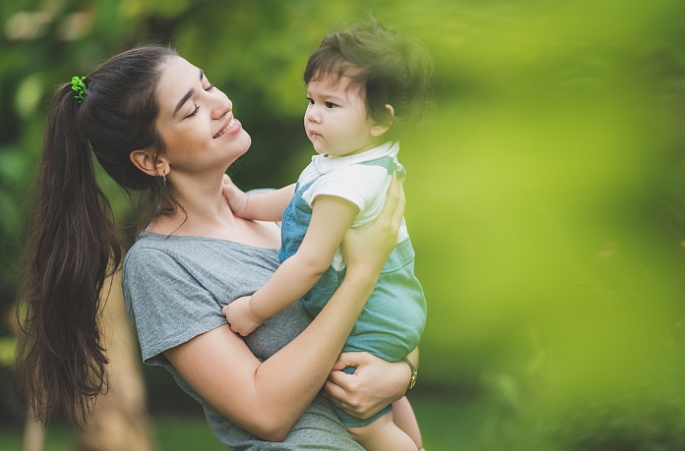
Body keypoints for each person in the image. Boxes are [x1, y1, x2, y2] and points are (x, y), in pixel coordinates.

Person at [14, 44, 418, 450]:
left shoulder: (284, 210)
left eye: (208, 84)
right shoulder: (160, 265)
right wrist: (361, 276)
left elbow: (388, 312)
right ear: (152, 160)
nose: (222, 103)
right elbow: (266, 412)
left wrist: (401, 374)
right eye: (191, 109)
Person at [223, 20, 433, 451]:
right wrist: (247, 204)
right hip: (392, 303)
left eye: (331, 105)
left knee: (365, 423)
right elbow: (299, 194)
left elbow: (312, 262)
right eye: (311, 100)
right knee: (383, 403)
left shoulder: (349, 185)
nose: (313, 114)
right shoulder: (349, 160)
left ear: (380, 120)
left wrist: (254, 310)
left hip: (372, 318)